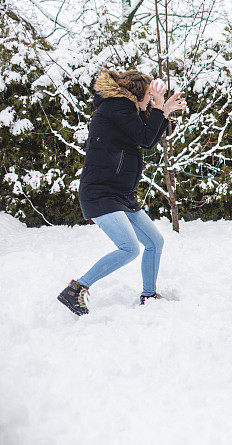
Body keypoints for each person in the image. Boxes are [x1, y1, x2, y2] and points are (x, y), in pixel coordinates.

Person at [57, 69, 186, 315]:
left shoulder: (122, 110)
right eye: (149, 95)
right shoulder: (117, 107)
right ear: (138, 93)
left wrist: (164, 111)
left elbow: (145, 136)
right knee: (129, 248)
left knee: (154, 242)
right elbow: (146, 139)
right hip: (101, 193)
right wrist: (160, 108)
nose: (150, 100)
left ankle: (149, 295)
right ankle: (76, 288)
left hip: (120, 194)